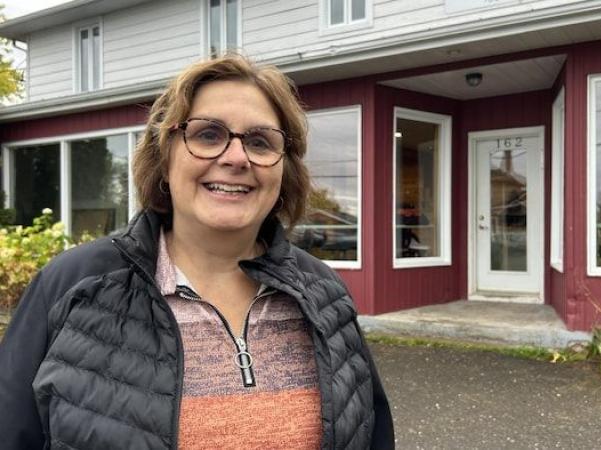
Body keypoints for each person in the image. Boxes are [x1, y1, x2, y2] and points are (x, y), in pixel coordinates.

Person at [0, 55, 394, 449]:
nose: (236, 158)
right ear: (164, 156)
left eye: (260, 142)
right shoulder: (72, 286)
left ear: (283, 169)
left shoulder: (322, 293)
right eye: (207, 134)